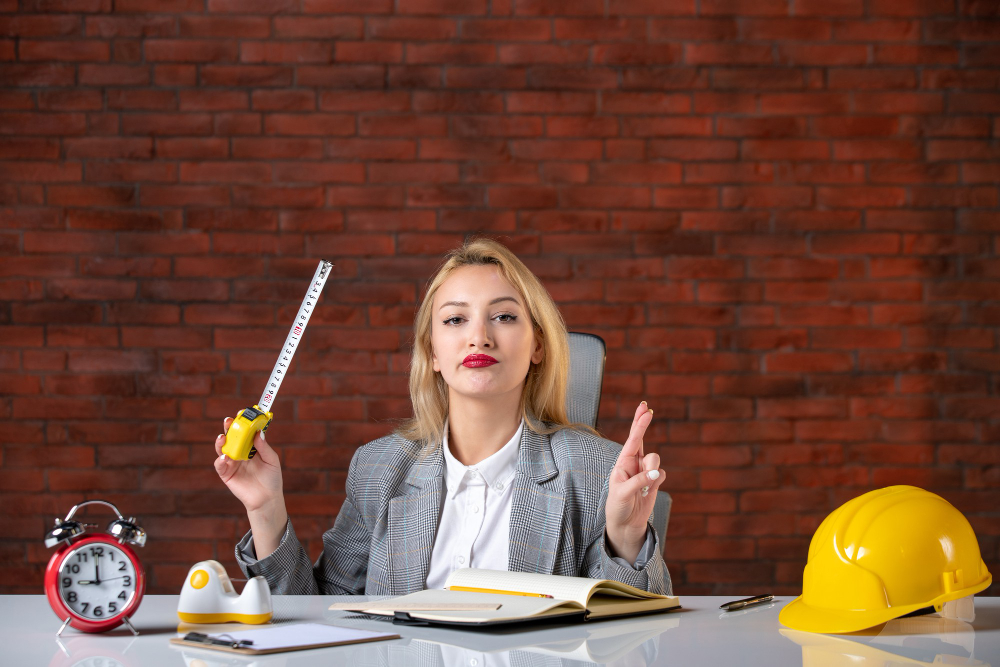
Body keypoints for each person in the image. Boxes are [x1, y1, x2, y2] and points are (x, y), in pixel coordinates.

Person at [213, 238, 670, 595]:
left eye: (505, 317)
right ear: (432, 352)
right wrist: (265, 508)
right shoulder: (379, 470)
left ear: (538, 346)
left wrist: (626, 541)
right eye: (454, 320)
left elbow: (635, 639)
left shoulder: (596, 469)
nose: (479, 337)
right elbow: (317, 615)